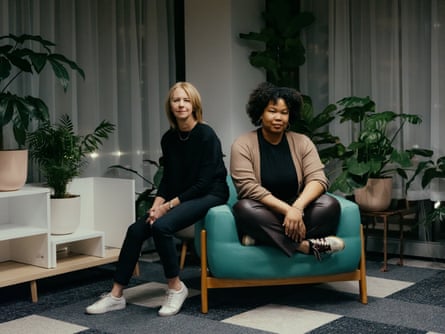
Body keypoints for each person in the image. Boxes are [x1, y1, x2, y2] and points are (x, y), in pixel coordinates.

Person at [86, 82, 229, 316]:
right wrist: (155, 207)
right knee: (136, 229)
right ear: (170, 106)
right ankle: (115, 295)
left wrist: (167, 207)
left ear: (194, 104)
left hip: (211, 193)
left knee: (162, 226)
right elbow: (169, 179)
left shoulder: (206, 134)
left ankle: (176, 287)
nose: (181, 104)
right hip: (182, 193)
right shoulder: (169, 139)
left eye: (186, 100)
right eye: (176, 100)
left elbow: (203, 183)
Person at [230, 82, 344, 261]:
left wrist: (297, 208)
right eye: (272, 111)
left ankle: (263, 238)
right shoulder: (243, 144)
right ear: (260, 113)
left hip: (299, 211)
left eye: (284, 113)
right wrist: (287, 211)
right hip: (263, 210)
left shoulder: (302, 142)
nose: (278, 117)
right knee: (243, 208)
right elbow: (248, 188)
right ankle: (306, 246)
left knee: (330, 205)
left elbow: (318, 178)